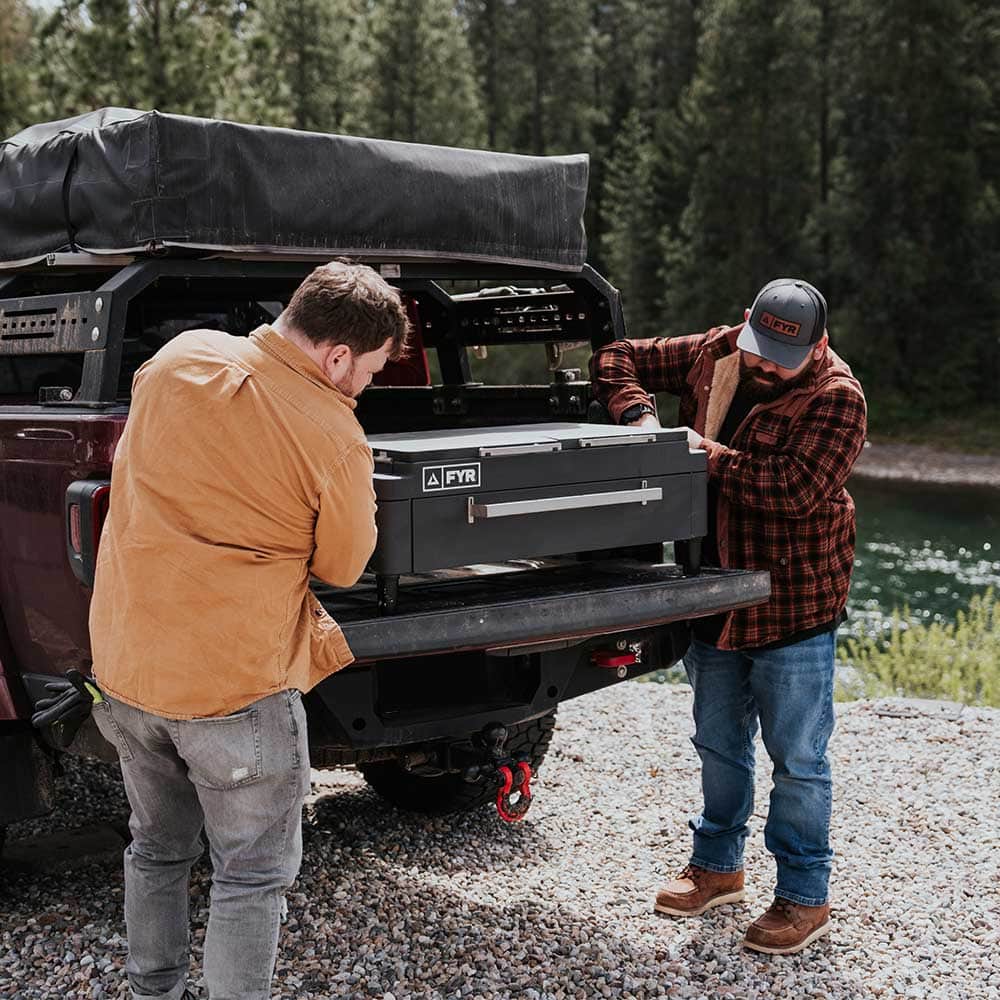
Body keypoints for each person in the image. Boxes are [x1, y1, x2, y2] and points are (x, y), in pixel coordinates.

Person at [88, 261, 410, 999]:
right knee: (252, 876)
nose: (365, 386)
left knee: (157, 849)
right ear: (336, 357)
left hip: (129, 666)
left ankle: (152, 992)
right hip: (234, 684)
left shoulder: (177, 358)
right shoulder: (333, 431)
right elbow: (342, 563)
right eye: (370, 371)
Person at [591, 278, 866, 955]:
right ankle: (718, 867)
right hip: (710, 591)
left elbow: (794, 490)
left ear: (819, 345)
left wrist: (696, 453)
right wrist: (638, 420)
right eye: (758, 346)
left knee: (798, 759)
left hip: (792, 600)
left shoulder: (838, 399)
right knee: (717, 743)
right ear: (746, 323)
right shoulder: (718, 349)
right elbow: (613, 354)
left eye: (782, 356)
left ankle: (805, 896)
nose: (765, 364)